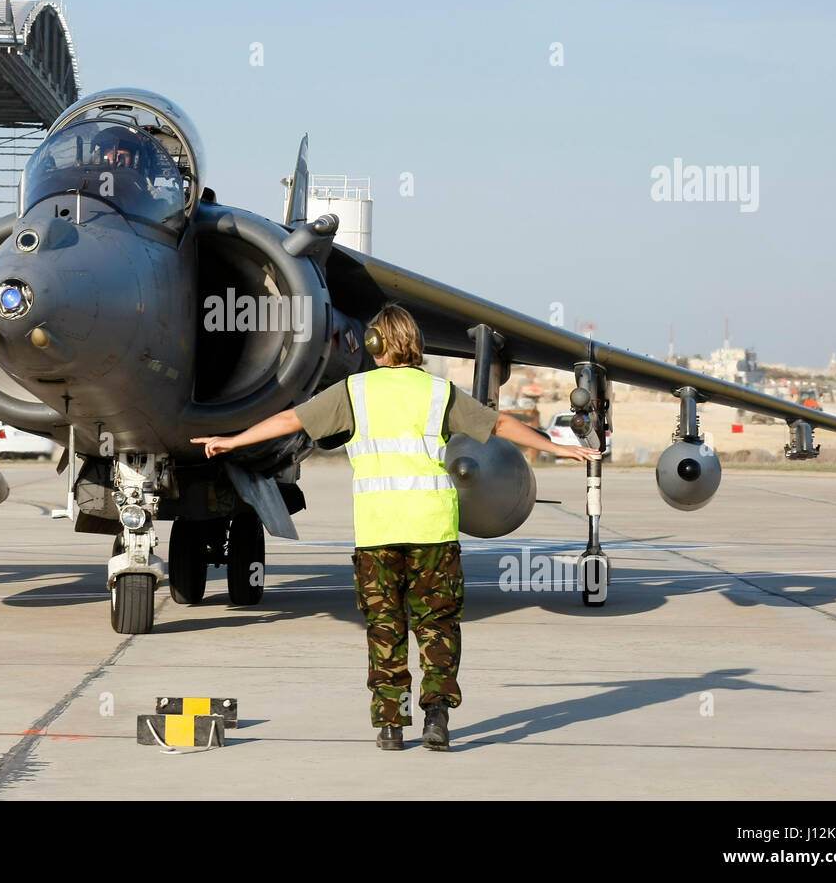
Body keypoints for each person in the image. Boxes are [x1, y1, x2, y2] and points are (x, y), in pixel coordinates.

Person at [192, 303, 600, 752]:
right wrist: (556, 448)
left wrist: (232, 439)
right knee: (438, 625)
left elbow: (293, 420)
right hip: (433, 532)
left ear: (375, 345)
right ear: (417, 346)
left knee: (384, 626)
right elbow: (498, 423)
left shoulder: (354, 392)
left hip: (377, 532)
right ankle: (438, 717)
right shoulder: (439, 393)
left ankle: (390, 726)